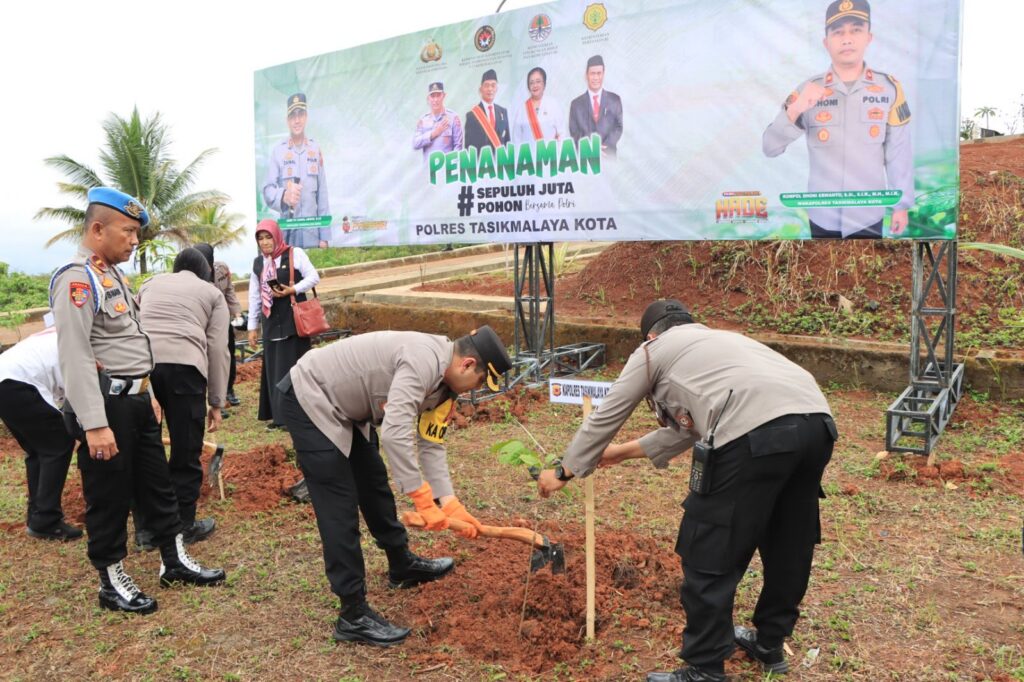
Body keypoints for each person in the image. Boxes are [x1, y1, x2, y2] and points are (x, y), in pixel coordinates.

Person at [537, 300, 837, 681]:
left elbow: (608, 412)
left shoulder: (652, 351)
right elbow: (686, 428)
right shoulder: (717, 344)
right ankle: (770, 643)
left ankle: (705, 668)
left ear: (649, 335)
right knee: (788, 540)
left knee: (709, 546)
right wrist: (618, 454)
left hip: (752, 432)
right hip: (817, 425)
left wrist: (565, 470)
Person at [278, 325, 513, 646]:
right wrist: (420, 497)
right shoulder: (423, 361)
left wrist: (448, 501)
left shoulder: (446, 388)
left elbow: (430, 444)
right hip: (312, 394)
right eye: (478, 382)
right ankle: (353, 614)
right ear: (468, 365)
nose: (474, 390)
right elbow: (394, 432)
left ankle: (401, 564)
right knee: (339, 504)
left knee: (372, 480)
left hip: (349, 407)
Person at [49, 187, 225, 615]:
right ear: (97, 229)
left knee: (157, 485)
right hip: (106, 408)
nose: (134, 240)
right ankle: (111, 579)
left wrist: (146, 388)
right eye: (127, 231)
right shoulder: (77, 279)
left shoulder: (111, 276)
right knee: (109, 494)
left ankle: (173, 559)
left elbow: (128, 341)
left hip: (138, 401)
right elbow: (74, 354)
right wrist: (93, 423)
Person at [762, 0, 914, 238]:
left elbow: (898, 151)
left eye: (856, 30)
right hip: (823, 217)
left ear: (868, 37)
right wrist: (796, 109)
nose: (847, 38)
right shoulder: (807, 90)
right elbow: (770, 147)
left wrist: (901, 206)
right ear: (826, 42)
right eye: (838, 32)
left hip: (868, 215)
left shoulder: (889, 89)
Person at [137, 247, 230, 545]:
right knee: (185, 449)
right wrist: (216, 402)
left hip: (142, 370)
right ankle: (183, 525)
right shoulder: (212, 293)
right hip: (184, 370)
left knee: (145, 451)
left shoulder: (150, 283)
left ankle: (147, 531)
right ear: (206, 272)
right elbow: (217, 349)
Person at [0, 327, 82, 541]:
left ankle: (37, 516)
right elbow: (79, 395)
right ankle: (45, 520)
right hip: (17, 382)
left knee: (39, 449)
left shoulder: (64, 330)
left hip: (7, 379)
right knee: (58, 444)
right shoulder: (81, 341)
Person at [247, 219, 320, 430]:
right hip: (271, 323)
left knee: (293, 368)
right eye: (260, 238)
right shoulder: (258, 263)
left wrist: (292, 289)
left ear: (276, 236)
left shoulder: (294, 253)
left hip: (293, 322)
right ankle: (279, 417)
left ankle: (297, 416)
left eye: (268, 237)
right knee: (274, 369)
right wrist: (253, 326)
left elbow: (313, 277)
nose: (264, 242)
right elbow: (254, 296)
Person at [261, 92, 331, 248]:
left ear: (306, 117)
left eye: (300, 114)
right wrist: (283, 195)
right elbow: (267, 190)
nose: (297, 120)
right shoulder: (278, 152)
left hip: (313, 236)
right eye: (292, 116)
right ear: (287, 120)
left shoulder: (315, 149)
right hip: (288, 237)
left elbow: (322, 195)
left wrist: (324, 237)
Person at [195, 243, 243, 410]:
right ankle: (210, 399)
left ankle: (228, 390)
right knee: (207, 358)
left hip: (223, 321)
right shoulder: (193, 274)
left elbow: (229, 291)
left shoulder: (222, 269)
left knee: (227, 355)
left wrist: (237, 314)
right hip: (202, 323)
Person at [568, 55, 623, 156]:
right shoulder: (576, 104)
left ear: (603, 74)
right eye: (592, 73)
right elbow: (574, 132)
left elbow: (618, 127)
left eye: (599, 73)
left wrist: (606, 145)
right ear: (586, 75)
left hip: (608, 156)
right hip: (585, 157)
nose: (596, 77)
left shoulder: (615, 100)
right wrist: (591, 146)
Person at [510, 67, 565, 144]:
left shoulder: (553, 104)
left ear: (544, 83)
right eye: (531, 83)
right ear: (528, 86)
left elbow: (562, 133)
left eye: (538, 81)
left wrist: (558, 153)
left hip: (551, 154)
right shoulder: (522, 109)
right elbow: (516, 138)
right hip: (528, 155)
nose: (535, 85)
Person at [412, 82, 463, 160]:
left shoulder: (453, 117)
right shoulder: (423, 120)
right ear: (428, 98)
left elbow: (458, 147)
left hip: (448, 168)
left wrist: (451, 167)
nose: (435, 100)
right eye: (432, 96)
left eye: (438, 95)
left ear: (444, 96)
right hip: (428, 170)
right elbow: (415, 144)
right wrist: (434, 134)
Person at [463, 69, 510, 150]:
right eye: (486, 85)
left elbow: (507, 141)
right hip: (481, 161)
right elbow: (469, 148)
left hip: (500, 161)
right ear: (481, 89)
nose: (490, 89)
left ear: (497, 89)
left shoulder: (503, 112)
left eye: (493, 85)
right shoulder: (471, 115)